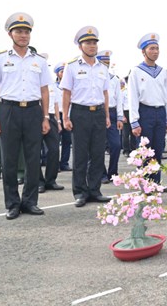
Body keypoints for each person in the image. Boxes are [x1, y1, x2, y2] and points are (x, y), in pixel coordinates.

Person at [0, 12, 51, 220]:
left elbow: (45, 91)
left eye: (26, 32)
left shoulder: (38, 61)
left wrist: (46, 117)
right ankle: (12, 203)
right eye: (19, 31)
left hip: (33, 111)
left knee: (33, 159)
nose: (23, 35)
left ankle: (30, 202)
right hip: (9, 111)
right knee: (10, 160)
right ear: (10, 34)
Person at [60, 26, 112, 208]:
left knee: (97, 154)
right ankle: (80, 192)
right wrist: (65, 117)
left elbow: (105, 93)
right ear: (80, 46)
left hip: (97, 112)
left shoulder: (102, 68)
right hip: (79, 113)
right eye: (88, 43)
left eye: (94, 43)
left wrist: (106, 115)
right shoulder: (72, 66)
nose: (92, 46)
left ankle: (95, 190)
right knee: (81, 155)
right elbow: (66, 93)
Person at [127, 32, 167, 187]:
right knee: (145, 151)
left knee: (158, 150)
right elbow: (132, 97)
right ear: (143, 51)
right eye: (152, 48)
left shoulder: (163, 72)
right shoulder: (136, 71)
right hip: (144, 112)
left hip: (160, 112)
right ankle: (145, 185)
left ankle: (155, 184)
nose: (155, 52)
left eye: (157, 48)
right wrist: (134, 121)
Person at [96, 50, 123, 184]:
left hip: (112, 113)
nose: (106, 65)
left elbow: (119, 99)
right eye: (103, 63)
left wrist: (120, 117)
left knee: (116, 145)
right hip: (98, 112)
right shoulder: (95, 77)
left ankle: (113, 172)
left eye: (108, 63)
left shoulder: (115, 79)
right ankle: (101, 174)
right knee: (99, 146)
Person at [39, 60, 64, 194]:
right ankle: (38, 182)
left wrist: (58, 121)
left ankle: (51, 180)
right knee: (35, 151)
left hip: (52, 117)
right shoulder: (34, 82)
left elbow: (55, 103)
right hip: (36, 116)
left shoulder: (52, 85)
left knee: (54, 150)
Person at [53, 62, 72, 171]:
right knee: (55, 141)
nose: (64, 73)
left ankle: (64, 163)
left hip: (68, 114)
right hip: (56, 114)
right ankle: (55, 164)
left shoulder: (70, 86)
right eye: (61, 71)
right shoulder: (53, 86)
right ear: (57, 74)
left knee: (67, 140)